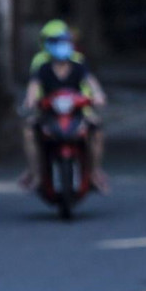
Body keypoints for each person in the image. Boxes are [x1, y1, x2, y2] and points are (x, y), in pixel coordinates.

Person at [21, 19, 108, 192]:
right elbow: (34, 86)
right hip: (49, 112)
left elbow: (90, 83)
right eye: (56, 42)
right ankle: (36, 173)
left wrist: (97, 96)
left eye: (64, 42)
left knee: (96, 131)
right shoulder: (43, 66)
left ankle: (94, 172)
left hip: (77, 111)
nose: (61, 46)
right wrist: (30, 101)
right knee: (29, 132)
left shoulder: (78, 64)